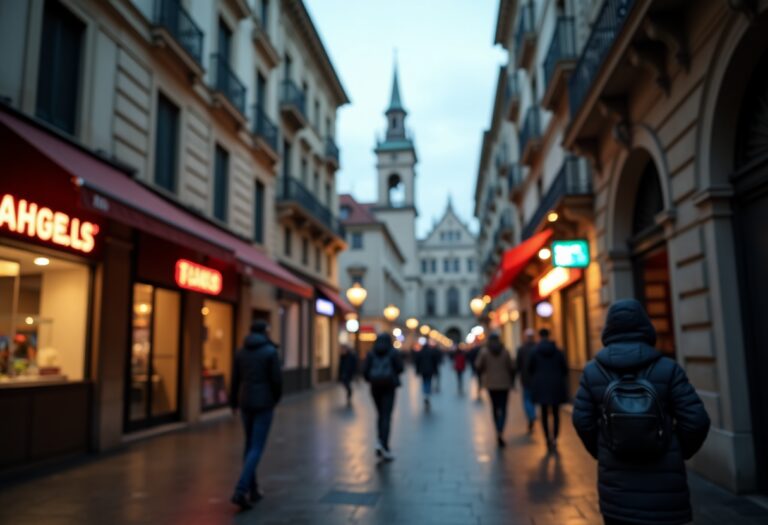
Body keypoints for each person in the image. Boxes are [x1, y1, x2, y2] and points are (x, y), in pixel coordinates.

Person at [572, 299, 710, 525]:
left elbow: (581, 420)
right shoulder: (668, 368)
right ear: (646, 327)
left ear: (609, 329)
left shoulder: (592, 371)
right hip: (666, 491)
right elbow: (696, 421)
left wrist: (604, 447)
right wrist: (673, 448)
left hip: (617, 490)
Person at [230, 320, 282, 511]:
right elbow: (277, 381)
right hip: (263, 403)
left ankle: (253, 489)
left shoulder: (241, 352)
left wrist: (233, 403)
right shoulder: (270, 352)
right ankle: (241, 489)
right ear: (265, 331)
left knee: (249, 445)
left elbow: (235, 379)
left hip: (246, 402)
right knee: (256, 447)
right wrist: (275, 399)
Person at [363, 333, 404, 461]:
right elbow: (400, 368)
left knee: (380, 415)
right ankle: (384, 445)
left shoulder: (371, 353)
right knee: (386, 416)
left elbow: (364, 371)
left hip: (375, 387)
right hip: (389, 387)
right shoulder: (393, 352)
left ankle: (379, 441)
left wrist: (372, 379)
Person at [528, 328, 567, 453]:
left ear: (539, 336)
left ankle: (547, 439)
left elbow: (530, 369)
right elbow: (564, 369)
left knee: (544, 414)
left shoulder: (535, 351)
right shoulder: (558, 351)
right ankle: (555, 438)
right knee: (556, 414)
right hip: (555, 385)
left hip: (541, 386)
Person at [475, 333, 516, 447]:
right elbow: (512, 366)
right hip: (504, 384)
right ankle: (501, 430)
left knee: (494, 407)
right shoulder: (505, 351)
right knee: (503, 408)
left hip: (491, 384)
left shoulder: (484, 352)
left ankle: (497, 429)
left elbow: (478, 366)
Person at [516, 328, 538, 434]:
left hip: (526, 378)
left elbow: (518, 365)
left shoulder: (521, 349)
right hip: (536, 378)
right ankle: (532, 414)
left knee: (527, 399)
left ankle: (531, 415)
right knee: (533, 399)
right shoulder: (537, 348)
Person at [415, 341, 441, 408]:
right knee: (429, 381)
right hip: (430, 370)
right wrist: (435, 370)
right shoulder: (431, 352)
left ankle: (425, 394)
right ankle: (427, 394)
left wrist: (417, 370)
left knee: (424, 381)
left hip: (423, 370)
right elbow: (435, 362)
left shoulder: (420, 352)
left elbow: (417, 362)